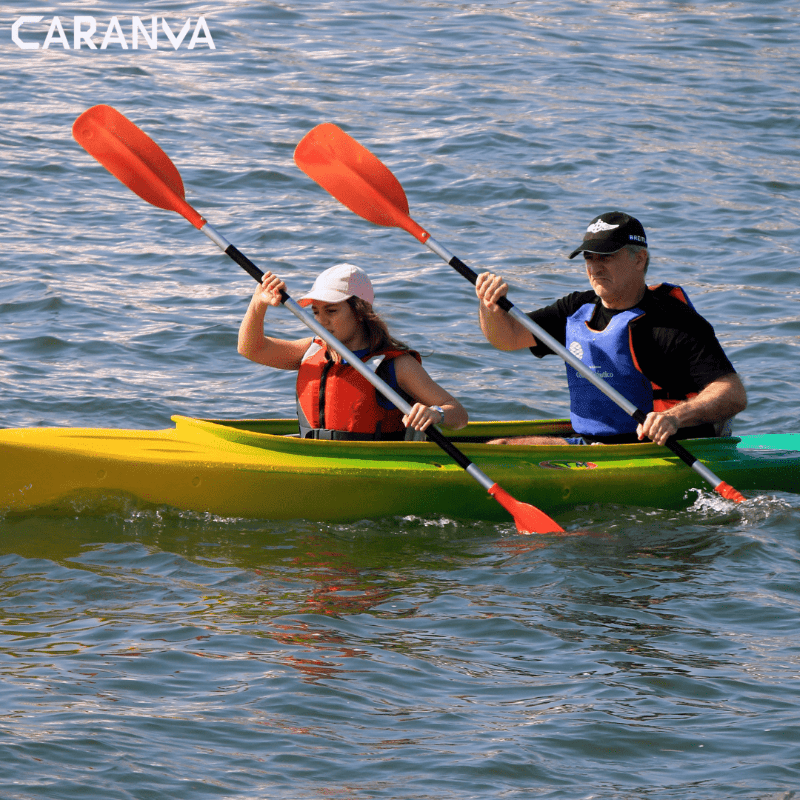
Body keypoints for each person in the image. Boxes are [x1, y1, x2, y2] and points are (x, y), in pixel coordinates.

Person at [475, 211, 747, 446]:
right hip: (596, 443)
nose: (595, 267)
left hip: (662, 446)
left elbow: (732, 393)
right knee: (498, 445)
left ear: (639, 259)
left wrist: (674, 417)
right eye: (589, 258)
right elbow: (507, 338)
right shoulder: (576, 308)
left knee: (502, 446)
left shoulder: (674, 322)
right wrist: (489, 306)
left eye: (605, 256)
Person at [238, 263, 468, 440]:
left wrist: (436, 413)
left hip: (373, 467)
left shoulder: (397, 366)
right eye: (316, 312)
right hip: (316, 457)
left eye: (332, 310)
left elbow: (458, 415)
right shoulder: (310, 350)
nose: (322, 321)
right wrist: (258, 303)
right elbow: (251, 348)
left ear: (359, 311)